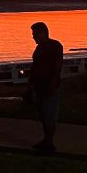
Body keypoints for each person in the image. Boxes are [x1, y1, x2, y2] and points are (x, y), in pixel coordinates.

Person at [26, 21, 63, 153]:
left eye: (35, 34)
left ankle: (49, 141)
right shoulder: (39, 48)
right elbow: (35, 67)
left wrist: (52, 85)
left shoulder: (55, 46)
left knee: (50, 114)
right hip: (38, 86)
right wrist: (30, 85)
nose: (33, 37)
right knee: (42, 114)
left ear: (42, 33)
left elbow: (56, 66)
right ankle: (46, 139)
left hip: (49, 86)